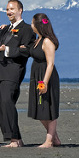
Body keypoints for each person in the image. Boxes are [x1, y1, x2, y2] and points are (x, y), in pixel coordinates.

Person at [0, 0, 36, 148]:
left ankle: (14, 139)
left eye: (12, 9)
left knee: (7, 102)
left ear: (20, 10)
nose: (9, 12)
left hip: (12, 72)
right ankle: (14, 139)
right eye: (7, 9)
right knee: (0, 106)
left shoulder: (27, 29)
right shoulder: (3, 29)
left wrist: (8, 50)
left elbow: (27, 51)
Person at [28, 13, 61, 148]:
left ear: (38, 25)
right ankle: (55, 138)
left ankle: (49, 141)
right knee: (39, 109)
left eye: (32, 23)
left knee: (48, 107)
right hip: (36, 75)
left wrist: (45, 82)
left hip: (46, 76)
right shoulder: (37, 40)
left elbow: (50, 64)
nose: (31, 25)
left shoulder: (47, 41)